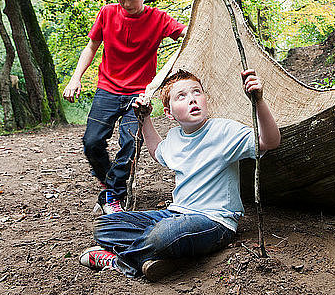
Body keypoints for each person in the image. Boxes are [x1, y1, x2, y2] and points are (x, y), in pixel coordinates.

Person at [78, 69, 280, 281]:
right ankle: (160, 258)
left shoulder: (224, 131)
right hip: (175, 214)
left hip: (214, 221)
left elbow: (269, 141)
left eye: (197, 92)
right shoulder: (175, 136)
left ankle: (120, 263)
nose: (192, 99)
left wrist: (258, 101)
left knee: (166, 233)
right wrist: (145, 118)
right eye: (181, 96)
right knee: (106, 225)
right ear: (169, 112)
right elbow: (157, 152)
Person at [62, 0, 187, 214]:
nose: (127, 4)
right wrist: (75, 78)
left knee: (129, 144)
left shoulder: (159, 19)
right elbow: (91, 47)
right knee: (92, 142)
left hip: (140, 93)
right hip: (107, 88)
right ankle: (111, 185)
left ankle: (112, 196)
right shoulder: (107, 14)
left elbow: (187, 34)